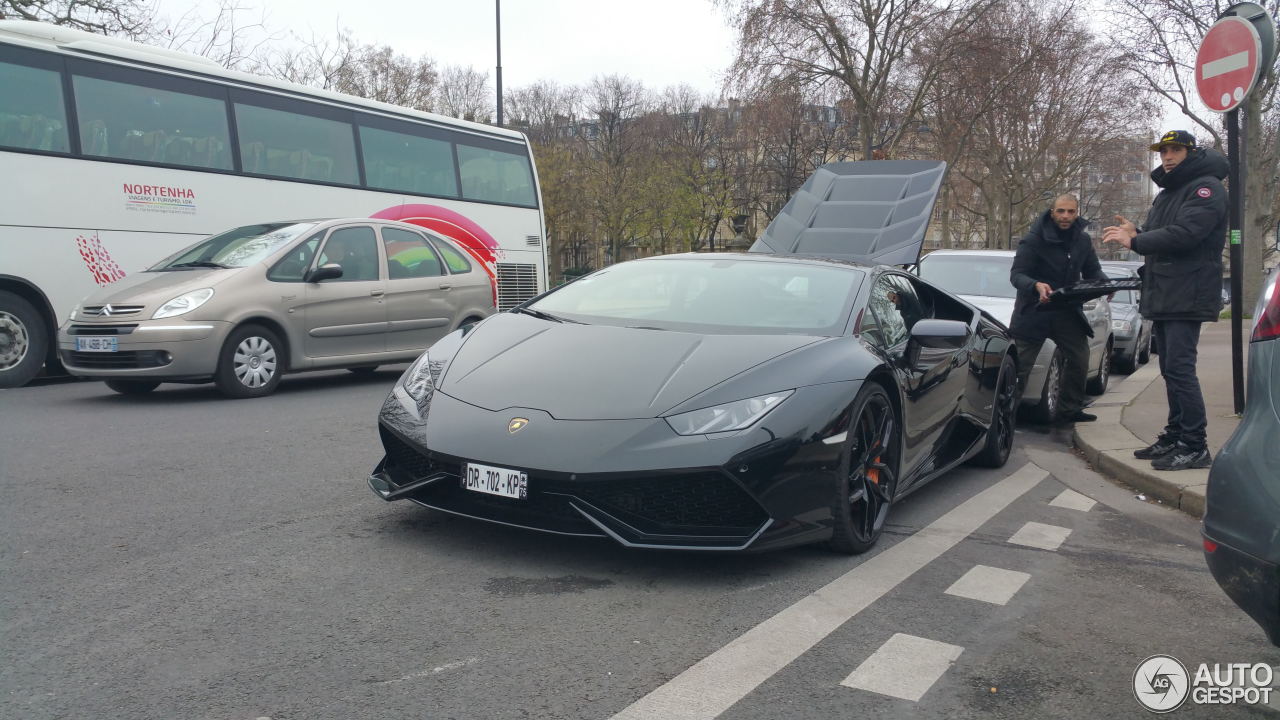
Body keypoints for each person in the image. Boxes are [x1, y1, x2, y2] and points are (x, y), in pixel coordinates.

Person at [1102, 130, 1227, 471]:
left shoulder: (1207, 188)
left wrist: (1136, 243)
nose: (1167, 157)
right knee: (1171, 369)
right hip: (1167, 291)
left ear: (1191, 152)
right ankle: (1175, 436)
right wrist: (1138, 232)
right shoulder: (1170, 191)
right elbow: (1163, 235)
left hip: (1188, 292)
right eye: (1163, 152)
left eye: (1175, 150)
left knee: (1181, 370)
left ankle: (1195, 445)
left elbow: (1187, 234)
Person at [1009, 193, 1106, 423]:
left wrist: (1105, 284)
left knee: (1080, 358)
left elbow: (1094, 271)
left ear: (1077, 213)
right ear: (1052, 212)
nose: (1065, 216)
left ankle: (1069, 410)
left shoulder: (1082, 241)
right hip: (1033, 311)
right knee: (1020, 368)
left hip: (1066, 310)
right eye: (1061, 211)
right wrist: (1036, 286)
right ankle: (1006, 413)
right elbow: (1016, 275)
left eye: (1071, 211)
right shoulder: (1033, 239)